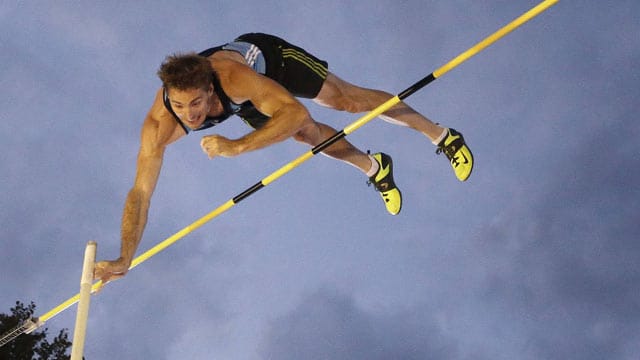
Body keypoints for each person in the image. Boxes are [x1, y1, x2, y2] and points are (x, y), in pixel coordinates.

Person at [93, 33, 473, 284]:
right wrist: (125, 255)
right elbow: (141, 192)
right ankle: (375, 167)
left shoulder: (231, 78)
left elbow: (293, 111)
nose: (190, 115)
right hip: (247, 105)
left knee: (343, 100)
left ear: (209, 89)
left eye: (196, 103)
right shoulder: (160, 121)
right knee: (306, 136)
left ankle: (442, 135)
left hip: (270, 63)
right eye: (180, 105)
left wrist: (237, 146)